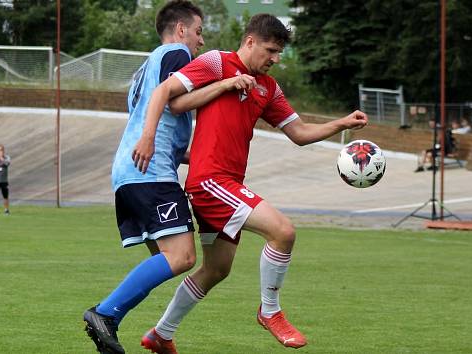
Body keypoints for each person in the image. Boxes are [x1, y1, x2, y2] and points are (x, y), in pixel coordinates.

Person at [132, 13, 368, 352]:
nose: (274, 59)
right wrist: (150, 135)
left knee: (216, 270)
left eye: (278, 54)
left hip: (226, 183)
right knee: (283, 231)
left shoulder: (268, 88)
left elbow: (299, 133)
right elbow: (170, 96)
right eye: (270, 50)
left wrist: (342, 123)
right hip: (209, 181)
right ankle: (270, 311)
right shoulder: (217, 62)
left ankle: (161, 334)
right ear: (250, 42)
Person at [82, 2, 205, 353]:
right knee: (182, 256)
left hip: (130, 172)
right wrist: (151, 137)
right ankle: (105, 314)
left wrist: (183, 152)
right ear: (181, 29)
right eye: (198, 32)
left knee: (166, 258)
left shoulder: (142, 70)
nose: (200, 41)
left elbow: (151, 118)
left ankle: (116, 324)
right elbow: (163, 106)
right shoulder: (176, 53)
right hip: (150, 173)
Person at [0, 144, 11, 215]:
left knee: (5, 197)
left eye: (1, 149)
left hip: (4, 181)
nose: (0, 151)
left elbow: (7, 163)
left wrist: (1, 158)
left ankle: (6, 210)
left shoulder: (7, 157)